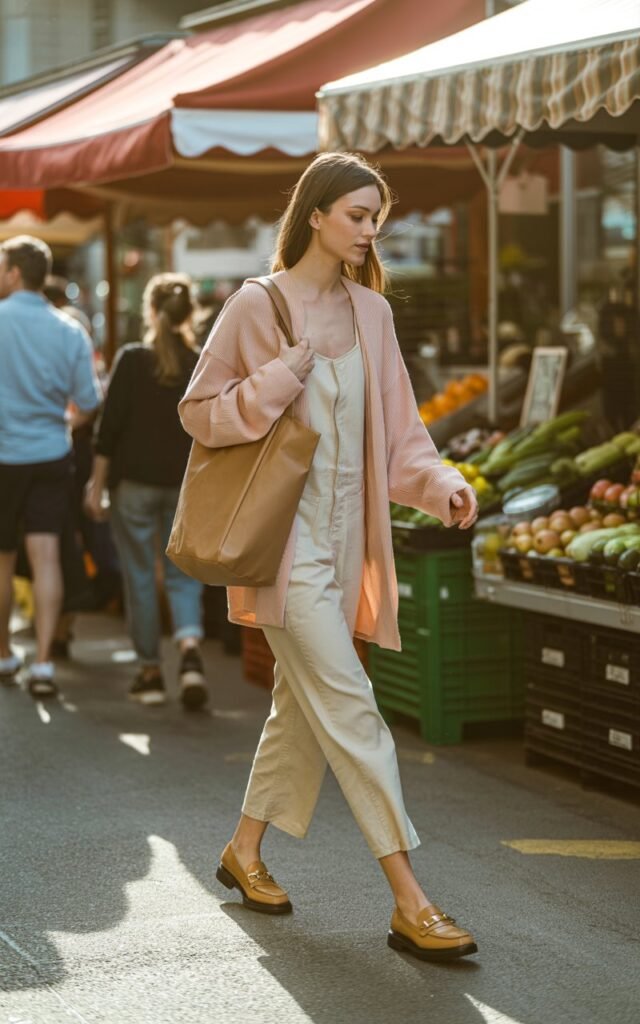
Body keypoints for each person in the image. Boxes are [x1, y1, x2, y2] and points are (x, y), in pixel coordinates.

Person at [178, 153, 480, 962]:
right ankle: (410, 899)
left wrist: (442, 483)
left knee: (300, 707)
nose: (368, 229)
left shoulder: (372, 314)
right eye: (356, 214)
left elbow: (402, 436)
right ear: (314, 215)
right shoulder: (256, 307)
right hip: (283, 551)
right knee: (349, 705)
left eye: (376, 215)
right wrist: (277, 379)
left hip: (347, 549)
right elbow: (199, 413)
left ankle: (245, 850)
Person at [85, 274, 208, 711]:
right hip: (183, 487)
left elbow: (109, 428)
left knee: (138, 574)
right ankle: (191, 651)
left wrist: (97, 483)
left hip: (132, 484)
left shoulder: (132, 359)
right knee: (182, 573)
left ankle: (150, 671)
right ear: (188, 313)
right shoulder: (200, 361)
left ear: (151, 312)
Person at [0, 236, 102, 698]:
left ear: (14, 273)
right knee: (46, 558)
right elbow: (89, 401)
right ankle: (43, 664)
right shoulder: (69, 330)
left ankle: (3, 654)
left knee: (1, 559)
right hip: (51, 454)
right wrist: (63, 420)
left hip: (3, 457)